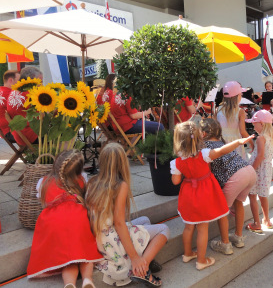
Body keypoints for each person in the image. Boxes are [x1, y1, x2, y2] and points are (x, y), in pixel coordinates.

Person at [171, 121, 254, 270]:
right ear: (198, 138)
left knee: (189, 227)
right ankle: (201, 260)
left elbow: (176, 181)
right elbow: (222, 151)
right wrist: (238, 142)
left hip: (188, 196)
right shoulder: (203, 154)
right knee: (203, 228)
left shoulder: (176, 162)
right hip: (203, 195)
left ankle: (187, 254)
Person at [86, 143, 169, 287]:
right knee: (164, 230)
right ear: (123, 163)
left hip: (101, 238)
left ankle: (143, 258)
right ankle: (142, 269)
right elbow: (119, 223)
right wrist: (135, 257)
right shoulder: (120, 185)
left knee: (145, 220)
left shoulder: (93, 181)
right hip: (113, 241)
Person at [27, 150, 103, 288]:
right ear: (79, 170)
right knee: (86, 255)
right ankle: (87, 280)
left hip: (53, 222)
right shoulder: (82, 179)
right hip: (78, 219)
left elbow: (43, 202)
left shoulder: (43, 182)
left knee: (69, 261)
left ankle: (69, 283)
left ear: (56, 164)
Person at [200, 118, 256, 252]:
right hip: (249, 172)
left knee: (222, 210)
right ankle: (238, 236)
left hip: (236, 177)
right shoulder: (221, 142)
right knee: (239, 203)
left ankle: (225, 243)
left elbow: (207, 170)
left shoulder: (205, 146)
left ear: (203, 133)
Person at [245, 110, 273, 233]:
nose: (253, 125)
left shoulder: (260, 138)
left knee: (252, 195)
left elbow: (260, 156)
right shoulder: (271, 137)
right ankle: (266, 220)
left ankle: (256, 223)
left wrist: (252, 170)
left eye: (254, 123)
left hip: (258, 170)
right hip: (266, 170)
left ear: (262, 124)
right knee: (263, 195)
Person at [217, 81, 254, 159]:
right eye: (241, 94)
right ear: (237, 96)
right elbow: (242, 131)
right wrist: (251, 142)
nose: (242, 95)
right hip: (235, 143)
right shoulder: (240, 111)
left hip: (221, 142)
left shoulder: (218, 109)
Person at [7, 67, 42, 146]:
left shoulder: (14, 90)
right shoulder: (29, 94)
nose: (41, 84)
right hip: (31, 135)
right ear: (32, 79)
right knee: (63, 136)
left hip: (18, 134)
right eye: (40, 81)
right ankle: (57, 158)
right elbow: (41, 116)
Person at [0, 70, 20, 142]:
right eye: (19, 80)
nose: (21, 83)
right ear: (11, 80)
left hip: (3, 132)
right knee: (47, 134)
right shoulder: (11, 95)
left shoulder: (1, 91)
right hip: (12, 132)